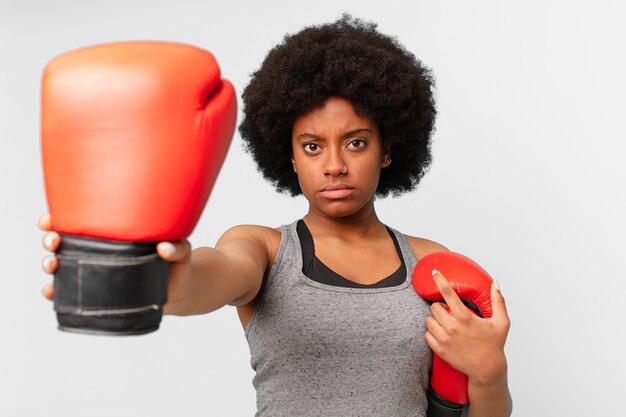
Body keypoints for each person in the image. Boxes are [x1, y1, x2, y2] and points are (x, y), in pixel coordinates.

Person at [39, 15, 512, 417]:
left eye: (356, 142)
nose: (334, 165)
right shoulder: (265, 249)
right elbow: (209, 278)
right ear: (287, 156)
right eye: (312, 146)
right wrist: (146, 270)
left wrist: (490, 370)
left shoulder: (432, 264)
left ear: (388, 149)